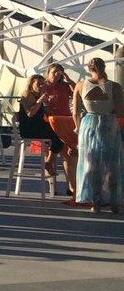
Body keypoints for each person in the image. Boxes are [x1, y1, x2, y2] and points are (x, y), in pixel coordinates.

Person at [72, 58, 123, 213]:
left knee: (91, 164)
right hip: (108, 124)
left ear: (89, 68)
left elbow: (75, 112)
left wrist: (78, 127)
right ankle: (114, 202)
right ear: (104, 67)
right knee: (111, 165)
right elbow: (121, 110)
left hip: (88, 124)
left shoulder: (80, 85)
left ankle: (96, 203)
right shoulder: (114, 86)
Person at [41, 63, 77, 196]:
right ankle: (52, 188)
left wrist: (68, 79)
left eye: (59, 72)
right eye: (54, 72)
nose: (56, 75)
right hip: (49, 120)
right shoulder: (42, 86)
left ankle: (71, 186)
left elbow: (76, 92)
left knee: (67, 154)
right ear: (48, 72)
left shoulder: (64, 86)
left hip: (64, 120)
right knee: (50, 153)